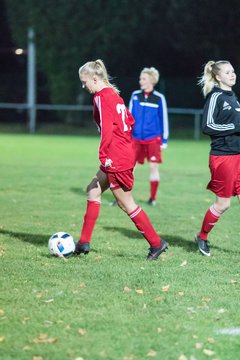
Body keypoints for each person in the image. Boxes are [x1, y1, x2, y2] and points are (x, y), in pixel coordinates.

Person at [74, 59, 168, 260]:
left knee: (126, 204)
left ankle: (156, 243)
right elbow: (130, 121)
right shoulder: (114, 95)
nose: (84, 86)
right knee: (93, 190)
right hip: (122, 152)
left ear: (94, 78)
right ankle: (83, 243)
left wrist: (105, 155)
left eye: (85, 81)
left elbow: (107, 129)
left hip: (115, 157)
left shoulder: (101, 96)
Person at [195, 60, 240, 256]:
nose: (232, 75)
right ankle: (202, 237)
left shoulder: (233, 97)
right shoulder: (216, 96)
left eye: (233, 71)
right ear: (218, 77)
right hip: (223, 157)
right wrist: (235, 127)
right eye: (228, 72)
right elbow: (208, 126)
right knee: (223, 204)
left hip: (238, 156)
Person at [128, 67, 169, 206]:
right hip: (135, 139)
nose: (140, 81)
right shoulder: (135, 95)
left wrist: (164, 140)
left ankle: (152, 198)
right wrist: (127, 136)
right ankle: (123, 197)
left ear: (152, 80)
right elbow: (128, 118)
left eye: (143, 78)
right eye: (140, 78)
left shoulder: (159, 98)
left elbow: (164, 120)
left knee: (153, 168)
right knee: (128, 168)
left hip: (153, 139)